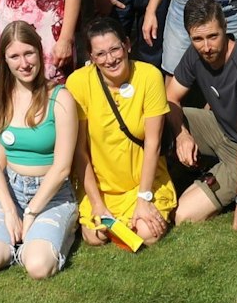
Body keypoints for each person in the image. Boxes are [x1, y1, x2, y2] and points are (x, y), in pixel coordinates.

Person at [0, 23, 79, 277]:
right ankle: (20, 238)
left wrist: (31, 212)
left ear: (40, 53)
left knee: (38, 266)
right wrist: (10, 210)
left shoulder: (60, 97)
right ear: (4, 60)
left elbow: (62, 167)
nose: (24, 63)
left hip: (52, 193)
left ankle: (55, 232)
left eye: (29, 53)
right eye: (14, 56)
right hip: (11, 188)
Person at [162, 0, 237, 229]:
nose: (206, 47)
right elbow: (170, 97)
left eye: (213, 36)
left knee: (183, 214)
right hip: (218, 126)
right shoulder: (195, 54)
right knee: (156, 119)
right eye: (198, 39)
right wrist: (182, 135)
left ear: (225, 28)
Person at [68, 19, 175, 248]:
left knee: (146, 233)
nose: (110, 59)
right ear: (91, 57)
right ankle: (106, 212)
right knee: (95, 237)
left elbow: (154, 143)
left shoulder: (149, 76)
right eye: (101, 54)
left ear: (127, 45)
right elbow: (80, 151)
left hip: (142, 182)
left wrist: (143, 198)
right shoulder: (78, 82)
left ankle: (146, 205)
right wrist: (97, 203)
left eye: (115, 49)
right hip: (101, 186)